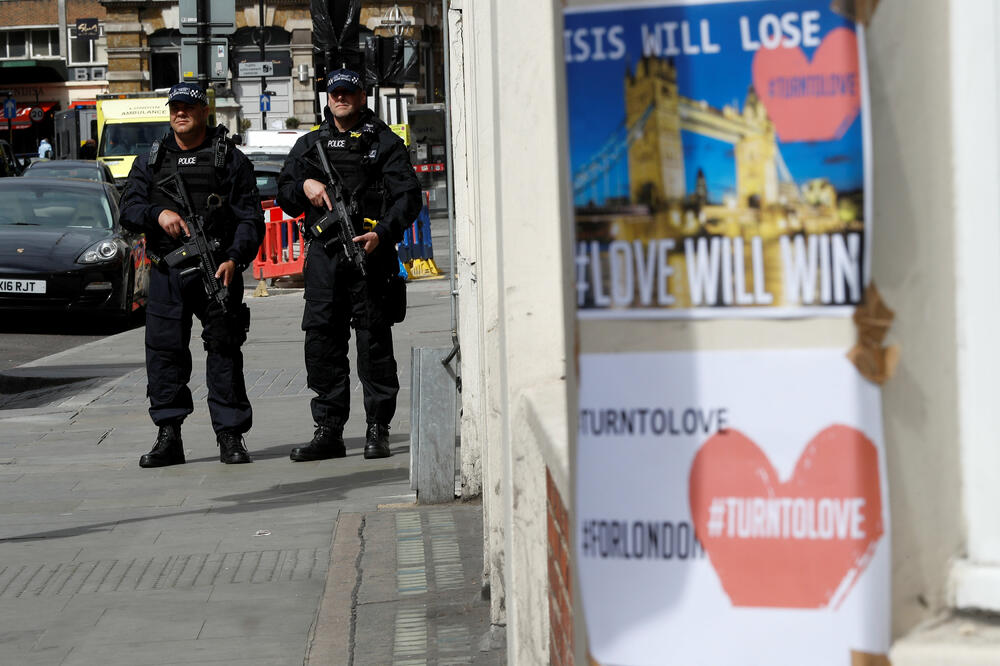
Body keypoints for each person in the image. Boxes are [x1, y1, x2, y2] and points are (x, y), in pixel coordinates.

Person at [277, 68, 421, 461]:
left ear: (361, 97)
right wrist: (304, 187)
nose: (340, 97)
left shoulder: (385, 144)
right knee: (322, 342)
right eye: (335, 92)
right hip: (324, 259)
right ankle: (329, 430)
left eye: (348, 92)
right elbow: (285, 193)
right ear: (327, 97)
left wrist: (384, 234)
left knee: (374, 343)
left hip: (369, 256)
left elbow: (408, 197)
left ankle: (378, 428)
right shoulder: (309, 145)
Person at [119, 82, 264, 467]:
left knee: (224, 350)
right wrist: (157, 214)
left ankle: (230, 435)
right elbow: (129, 208)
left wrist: (236, 258)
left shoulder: (228, 159)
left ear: (204, 112)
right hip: (168, 271)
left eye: (188, 107)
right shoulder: (151, 159)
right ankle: (169, 434)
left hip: (217, 270)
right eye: (175, 107)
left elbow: (250, 218)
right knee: (164, 354)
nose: (180, 112)